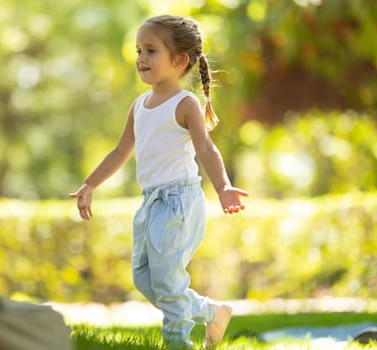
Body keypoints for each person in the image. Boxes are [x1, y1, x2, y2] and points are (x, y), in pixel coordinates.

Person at [69, 15, 249, 349]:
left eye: (150, 50)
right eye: (139, 50)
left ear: (179, 60)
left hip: (179, 202)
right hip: (151, 203)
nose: (140, 58)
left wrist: (223, 186)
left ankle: (178, 342)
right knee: (145, 278)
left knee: (167, 281)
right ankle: (212, 312)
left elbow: (206, 147)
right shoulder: (139, 106)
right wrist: (90, 184)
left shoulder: (185, 104)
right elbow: (120, 151)